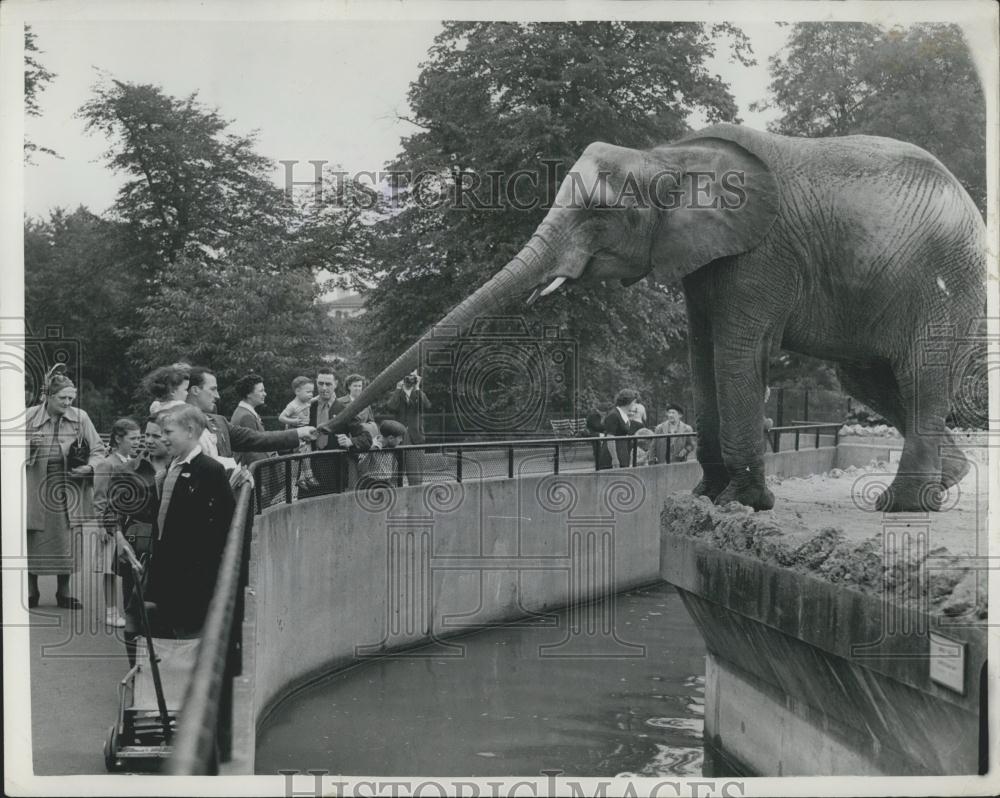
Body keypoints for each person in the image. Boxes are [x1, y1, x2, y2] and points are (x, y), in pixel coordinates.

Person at [144, 404, 236, 637]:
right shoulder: (170, 466)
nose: (163, 439)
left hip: (193, 571)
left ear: (189, 431)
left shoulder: (209, 470)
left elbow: (226, 519)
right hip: (165, 562)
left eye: (168, 433)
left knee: (189, 628)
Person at [25, 366, 105, 610]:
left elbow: (99, 450)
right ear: (48, 396)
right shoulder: (28, 416)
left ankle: (64, 591)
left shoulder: (80, 418)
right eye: (63, 398)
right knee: (33, 536)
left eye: (71, 398)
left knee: (68, 539)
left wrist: (89, 468)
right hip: (36, 486)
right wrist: (28, 444)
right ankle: (31, 590)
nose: (68, 402)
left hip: (69, 485)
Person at [185, 366, 315, 478]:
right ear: (196, 390)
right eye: (212, 389)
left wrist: (297, 433)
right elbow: (253, 452)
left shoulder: (219, 421)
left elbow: (256, 438)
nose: (218, 396)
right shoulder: (177, 424)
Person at [92, 417, 142, 628]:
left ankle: (127, 609)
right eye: (133, 438)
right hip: (110, 524)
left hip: (124, 522)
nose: (137, 442)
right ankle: (111, 612)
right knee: (108, 570)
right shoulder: (107, 463)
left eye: (139, 437)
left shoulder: (131, 462)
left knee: (123, 567)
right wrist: (102, 525)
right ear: (118, 439)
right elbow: (100, 497)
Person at [306, 368, 373, 496]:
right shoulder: (309, 407)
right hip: (311, 468)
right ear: (316, 383)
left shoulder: (344, 410)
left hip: (335, 469)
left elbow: (367, 439)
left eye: (328, 384)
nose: (324, 388)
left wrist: (350, 441)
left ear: (336, 384)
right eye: (320, 383)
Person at [384, 370, 431, 485]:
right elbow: (390, 407)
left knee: (415, 476)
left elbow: (427, 406)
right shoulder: (397, 393)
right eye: (407, 376)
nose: (410, 379)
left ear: (417, 377)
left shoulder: (419, 393)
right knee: (395, 473)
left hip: (415, 437)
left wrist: (418, 387)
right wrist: (399, 388)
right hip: (398, 436)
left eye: (412, 376)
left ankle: (416, 496)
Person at [279, 376, 319, 489]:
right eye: (308, 392)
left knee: (307, 454)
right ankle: (298, 480)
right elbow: (281, 418)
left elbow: (313, 399)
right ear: (297, 391)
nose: (311, 394)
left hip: (305, 432)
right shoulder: (292, 405)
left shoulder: (307, 401)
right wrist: (293, 421)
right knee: (298, 457)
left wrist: (320, 395)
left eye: (312, 392)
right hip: (296, 433)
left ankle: (306, 477)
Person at [360, 419, 407, 487]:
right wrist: (370, 452)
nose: (401, 440)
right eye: (400, 437)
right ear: (390, 438)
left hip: (388, 482)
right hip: (371, 484)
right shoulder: (370, 445)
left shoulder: (392, 446)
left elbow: (394, 468)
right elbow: (361, 468)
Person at [601, 389, 637, 469]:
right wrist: (614, 458)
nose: (635, 404)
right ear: (628, 402)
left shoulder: (623, 414)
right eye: (634, 402)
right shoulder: (614, 415)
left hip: (622, 453)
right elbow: (610, 437)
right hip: (612, 456)